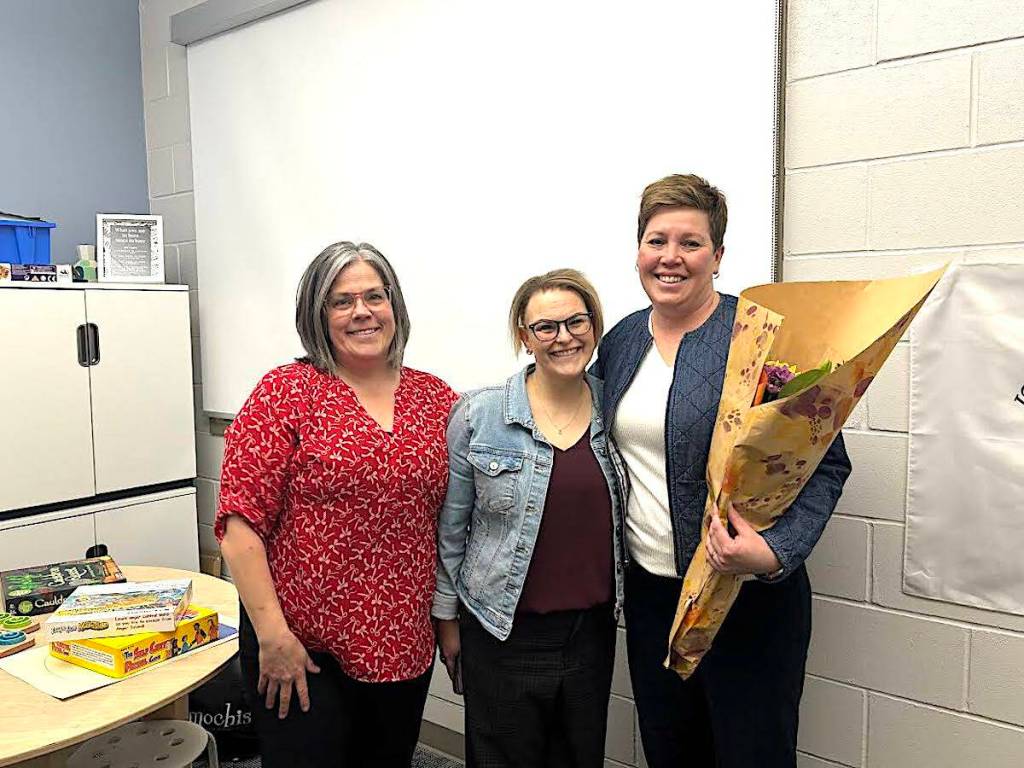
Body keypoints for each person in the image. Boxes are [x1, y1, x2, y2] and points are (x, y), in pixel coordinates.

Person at [591, 174, 852, 768]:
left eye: (691, 242)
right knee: (670, 749)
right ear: (638, 249)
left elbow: (826, 461)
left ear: (718, 255)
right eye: (657, 240)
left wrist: (776, 551)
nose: (671, 258)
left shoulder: (762, 338)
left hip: (746, 597)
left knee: (751, 753)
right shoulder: (622, 341)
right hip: (654, 595)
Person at [216, 241, 458, 768]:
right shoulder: (285, 392)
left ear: (395, 305)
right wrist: (274, 637)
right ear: (317, 314)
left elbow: (452, 524)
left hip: (401, 642)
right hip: (301, 648)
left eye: (375, 296)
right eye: (342, 301)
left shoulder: (438, 399)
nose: (363, 312)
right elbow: (239, 525)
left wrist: (448, 620)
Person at [434, 269, 627, 768]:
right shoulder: (481, 414)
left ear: (594, 325)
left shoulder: (618, 409)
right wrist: (446, 619)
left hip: (590, 635)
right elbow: (451, 529)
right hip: (501, 632)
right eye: (546, 327)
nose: (564, 337)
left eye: (576, 322)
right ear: (525, 336)